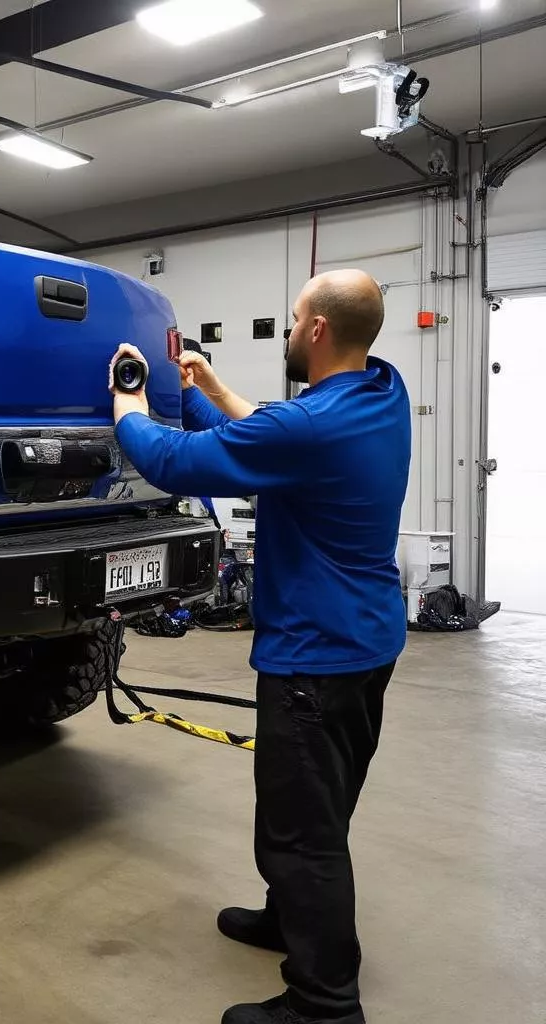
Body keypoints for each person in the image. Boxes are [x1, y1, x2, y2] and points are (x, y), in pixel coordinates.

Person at [109, 269, 410, 1024]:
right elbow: (278, 437)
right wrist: (213, 387)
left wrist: (129, 408)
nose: (287, 330)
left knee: (304, 832)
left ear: (315, 332)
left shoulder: (307, 427)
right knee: (320, 807)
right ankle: (289, 920)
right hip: (367, 641)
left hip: (315, 656)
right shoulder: (380, 391)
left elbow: (175, 462)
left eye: (294, 317)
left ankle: (324, 1003)